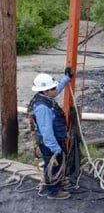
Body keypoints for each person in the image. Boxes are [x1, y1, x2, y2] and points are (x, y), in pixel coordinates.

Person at [28, 67, 75, 200]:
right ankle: (53, 191)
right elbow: (46, 132)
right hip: (50, 143)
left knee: (58, 163)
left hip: (55, 139)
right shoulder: (42, 108)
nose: (56, 90)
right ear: (45, 91)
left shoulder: (45, 97)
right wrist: (55, 148)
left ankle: (58, 181)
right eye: (53, 88)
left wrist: (66, 78)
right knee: (53, 165)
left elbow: (58, 89)